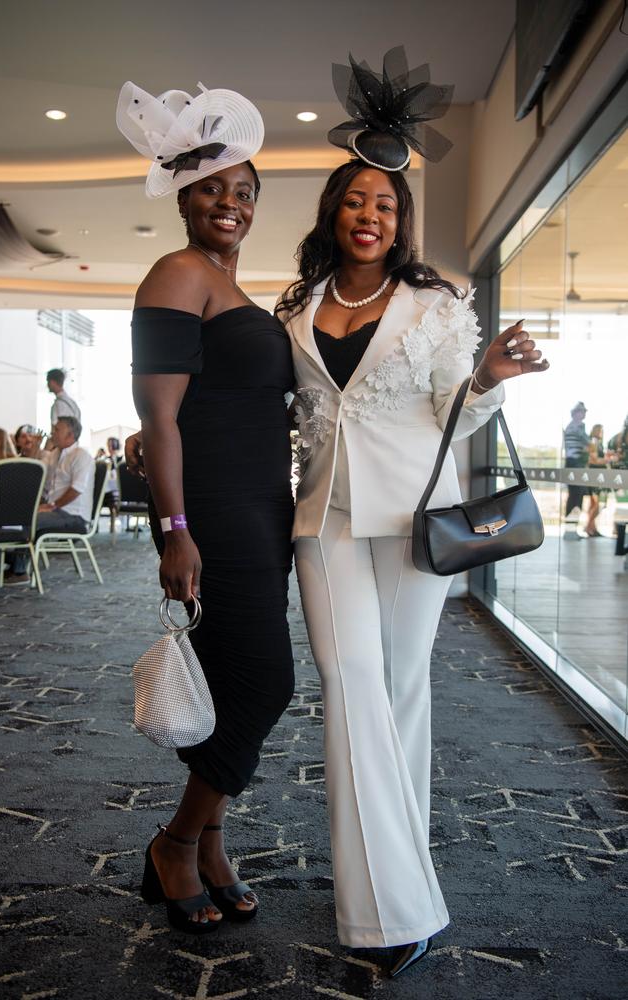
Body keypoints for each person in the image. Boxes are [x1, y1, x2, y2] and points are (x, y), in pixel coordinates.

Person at [276, 48, 550, 979]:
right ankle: (396, 913)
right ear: (334, 211)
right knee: (349, 683)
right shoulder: (298, 305)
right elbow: (305, 414)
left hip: (413, 523)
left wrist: (491, 379)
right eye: (356, 201)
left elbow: (452, 414)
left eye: (386, 205)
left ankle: (391, 877)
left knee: (396, 696)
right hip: (326, 525)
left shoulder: (437, 305)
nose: (370, 215)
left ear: (401, 221)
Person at [117, 79, 295, 933]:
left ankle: (210, 845)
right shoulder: (176, 272)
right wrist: (175, 531)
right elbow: (157, 420)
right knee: (266, 680)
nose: (229, 203)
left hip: (263, 513)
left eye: (243, 192)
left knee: (238, 682)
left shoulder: (230, 284)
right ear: (183, 198)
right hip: (215, 516)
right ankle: (177, 843)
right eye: (213, 189)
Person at [6, 415, 94, 583]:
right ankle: (1, 564)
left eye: (57, 430)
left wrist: (52, 506)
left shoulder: (81, 456)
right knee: (15, 515)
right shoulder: (55, 454)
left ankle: (18, 571)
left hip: (73, 515)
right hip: (57, 510)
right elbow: (36, 472)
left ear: (70, 435)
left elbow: (77, 489)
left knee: (27, 520)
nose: (52, 432)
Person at [563, 401, 589, 525]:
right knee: (577, 495)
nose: (584, 414)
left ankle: (571, 526)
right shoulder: (578, 425)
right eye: (582, 411)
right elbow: (588, 442)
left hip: (572, 463)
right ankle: (572, 525)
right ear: (576, 413)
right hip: (575, 463)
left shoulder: (570, 426)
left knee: (574, 495)